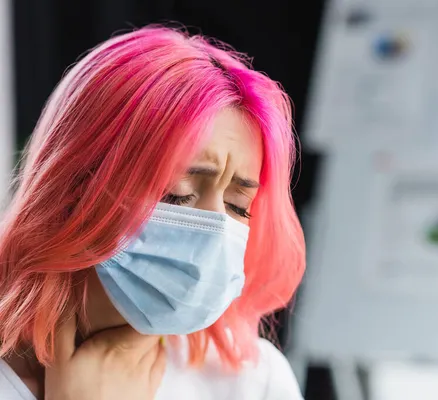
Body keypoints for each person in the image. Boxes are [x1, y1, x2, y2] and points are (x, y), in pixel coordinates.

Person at [0, 26, 305, 400]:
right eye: (177, 194)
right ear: (76, 187)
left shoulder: (254, 382)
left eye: (238, 206)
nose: (215, 232)